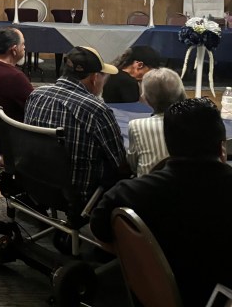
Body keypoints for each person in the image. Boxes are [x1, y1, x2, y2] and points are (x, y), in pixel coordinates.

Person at [90, 98, 232, 307]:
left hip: (152, 294)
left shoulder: (127, 193)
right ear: (222, 147)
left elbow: (100, 232)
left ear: (169, 145)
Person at [25, 46, 129, 207]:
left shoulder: (36, 95)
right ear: (94, 78)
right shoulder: (96, 110)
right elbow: (119, 163)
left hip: (35, 184)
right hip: (80, 195)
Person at [0, 27, 33, 152]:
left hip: (3, 137)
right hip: (16, 143)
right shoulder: (14, 76)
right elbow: (37, 107)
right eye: (23, 44)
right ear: (14, 50)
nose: (24, 47)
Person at [127, 67, 186, 176]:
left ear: (146, 97)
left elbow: (132, 165)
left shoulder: (136, 125)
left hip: (146, 185)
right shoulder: (195, 123)